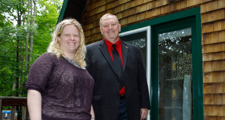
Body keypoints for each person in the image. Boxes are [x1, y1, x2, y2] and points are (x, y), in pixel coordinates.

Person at [26, 19, 95, 120]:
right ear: (58, 37)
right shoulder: (49, 59)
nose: (72, 38)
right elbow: (34, 91)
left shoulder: (83, 68)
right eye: (67, 34)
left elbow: (88, 101)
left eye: (76, 35)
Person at [86, 13, 150, 120]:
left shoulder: (133, 50)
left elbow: (141, 80)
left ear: (119, 27)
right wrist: (88, 107)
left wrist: (144, 105)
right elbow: (86, 83)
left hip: (130, 107)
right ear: (101, 30)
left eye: (113, 24)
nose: (110, 28)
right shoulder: (89, 51)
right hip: (103, 107)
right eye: (106, 26)